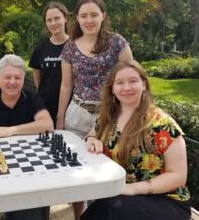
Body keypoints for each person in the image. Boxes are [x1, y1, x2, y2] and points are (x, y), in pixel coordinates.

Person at [82, 60, 191, 220]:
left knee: (106, 210)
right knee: (99, 210)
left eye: (133, 81)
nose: (126, 88)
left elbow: (178, 176)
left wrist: (133, 189)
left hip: (166, 200)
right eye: (120, 82)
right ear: (112, 89)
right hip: (122, 196)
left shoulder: (162, 124)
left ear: (144, 85)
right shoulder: (110, 117)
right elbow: (91, 134)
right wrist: (92, 140)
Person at [56, 0, 133, 219]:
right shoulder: (69, 48)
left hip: (110, 115)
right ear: (77, 19)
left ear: (103, 16)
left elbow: (132, 77)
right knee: (75, 169)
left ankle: (102, 214)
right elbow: (65, 85)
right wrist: (60, 118)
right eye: (83, 15)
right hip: (77, 115)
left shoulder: (117, 42)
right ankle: (79, 214)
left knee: (106, 169)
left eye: (93, 14)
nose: (89, 20)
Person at [0, 54, 54, 220]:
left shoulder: (32, 97)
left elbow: (48, 125)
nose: (12, 82)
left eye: (17, 77)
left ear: (23, 79)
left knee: (34, 206)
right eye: (7, 77)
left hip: (31, 164)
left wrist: (11, 130)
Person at [29, 1, 69, 126]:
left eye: (57, 18)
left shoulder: (75, 46)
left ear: (65, 18)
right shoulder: (40, 49)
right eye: (49, 20)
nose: (53, 23)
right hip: (45, 106)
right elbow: (37, 79)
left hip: (70, 107)